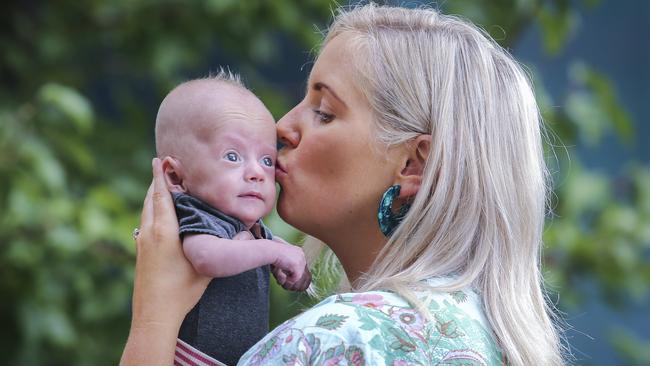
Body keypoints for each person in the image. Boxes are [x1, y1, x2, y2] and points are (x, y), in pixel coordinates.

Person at [121, 4, 565, 366]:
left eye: (325, 112)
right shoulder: (482, 333)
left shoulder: (334, 343)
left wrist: (153, 323)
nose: (280, 128)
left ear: (413, 163)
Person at [154, 74, 311, 365]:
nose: (256, 172)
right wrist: (276, 251)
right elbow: (207, 257)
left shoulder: (249, 230)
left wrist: (291, 268)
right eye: (232, 156)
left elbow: (248, 250)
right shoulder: (197, 213)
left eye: (266, 160)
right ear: (176, 176)